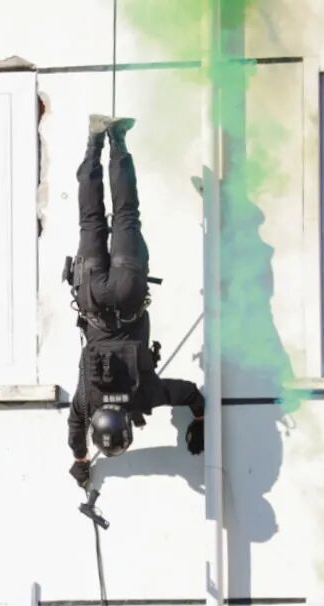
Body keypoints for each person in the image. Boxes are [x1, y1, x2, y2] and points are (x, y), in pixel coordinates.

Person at [65, 115, 206, 492]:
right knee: (91, 221)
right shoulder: (88, 400)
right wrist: (79, 460)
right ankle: (95, 140)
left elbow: (190, 393)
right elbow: (75, 428)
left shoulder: (146, 395)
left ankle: (118, 140)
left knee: (126, 214)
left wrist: (199, 421)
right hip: (92, 296)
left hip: (128, 294)